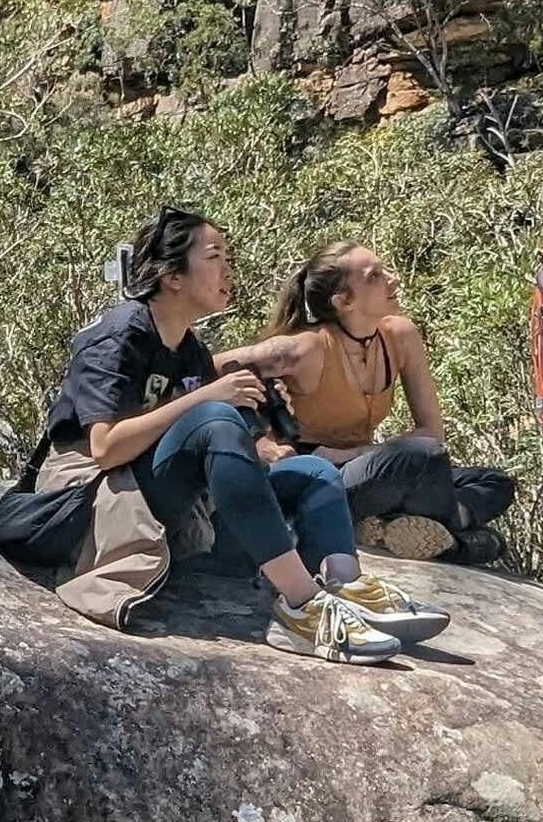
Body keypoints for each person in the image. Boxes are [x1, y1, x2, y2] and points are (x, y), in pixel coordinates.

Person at [29, 209, 449, 663]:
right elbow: (106, 448)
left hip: (169, 506)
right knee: (214, 417)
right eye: (215, 257)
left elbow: (205, 443)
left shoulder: (189, 349)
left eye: (227, 257)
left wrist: (260, 436)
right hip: (93, 506)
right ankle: (301, 607)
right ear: (172, 276)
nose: (228, 269)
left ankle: (345, 586)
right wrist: (209, 399)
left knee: (311, 471)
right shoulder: (119, 335)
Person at [217, 243, 519, 564]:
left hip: (367, 469)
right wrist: (260, 442)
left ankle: (397, 528)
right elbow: (202, 371)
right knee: (420, 456)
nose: (393, 279)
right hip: (318, 478)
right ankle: (461, 543)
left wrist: (353, 454)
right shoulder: (304, 349)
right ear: (343, 301)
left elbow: (432, 430)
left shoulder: (400, 335)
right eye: (375, 276)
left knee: (495, 483)